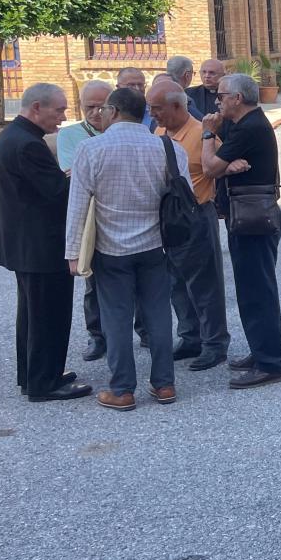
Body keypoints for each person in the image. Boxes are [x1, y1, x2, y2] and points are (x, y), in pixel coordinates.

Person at [66, 86, 187, 410]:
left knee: (116, 318)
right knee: (158, 314)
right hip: (154, 245)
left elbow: (77, 206)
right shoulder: (168, 147)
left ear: (114, 111)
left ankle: (122, 389)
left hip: (110, 247)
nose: (100, 115)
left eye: (104, 110)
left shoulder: (91, 149)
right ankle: (164, 385)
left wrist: (73, 253)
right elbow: (181, 193)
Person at [0, 84, 88, 402]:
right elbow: (57, 193)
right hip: (40, 245)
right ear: (36, 107)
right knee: (48, 314)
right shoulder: (27, 145)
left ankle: (33, 374)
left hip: (25, 244)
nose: (63, 117)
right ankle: (44, 383)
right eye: (58, 110)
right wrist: (77, 177)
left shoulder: (13, 136)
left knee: (32, 314)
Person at [201, 73, 281, 388]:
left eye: (221, 95)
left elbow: (210, 167)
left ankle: (270, 362)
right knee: (250, 289)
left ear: (237, 98)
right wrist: (227, 160)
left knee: (257, 290)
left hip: (253, 218)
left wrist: (208, 135)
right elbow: (223, 163)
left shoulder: (249, 127)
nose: (217, 100)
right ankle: (261, 350)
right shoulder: (244, 126)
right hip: (248, 215)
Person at [149, 79, 230, 371]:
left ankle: (215, 343)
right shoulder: (158, 132)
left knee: (205, 284)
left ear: (176, 106)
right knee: (176, 283)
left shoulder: (201, 134)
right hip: (170, 217)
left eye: (157, 109)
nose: (153, 114)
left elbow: (223, 166)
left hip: (197, 214)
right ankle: (190, 337)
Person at [57, 80, 119, 363]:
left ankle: (142, 331)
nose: (95, 112)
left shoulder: (127, 131)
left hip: (120, 214)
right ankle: (98, 336)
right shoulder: (70, 135)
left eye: (101, 106)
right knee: (92, 281)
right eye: (88, 107)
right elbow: (70, 175)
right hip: (89, 219)